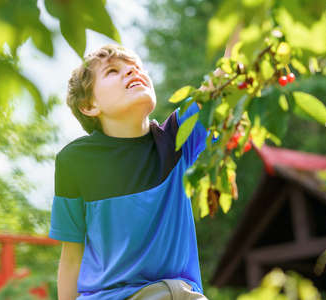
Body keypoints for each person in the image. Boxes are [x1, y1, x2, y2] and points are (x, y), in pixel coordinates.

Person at [49, 43, 213, 300]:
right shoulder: (74, 161)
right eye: (113, 71)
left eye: (137, 67)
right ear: (89, 106)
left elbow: (227, 84)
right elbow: (71, 256)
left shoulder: (178, 138)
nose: (132, 72)